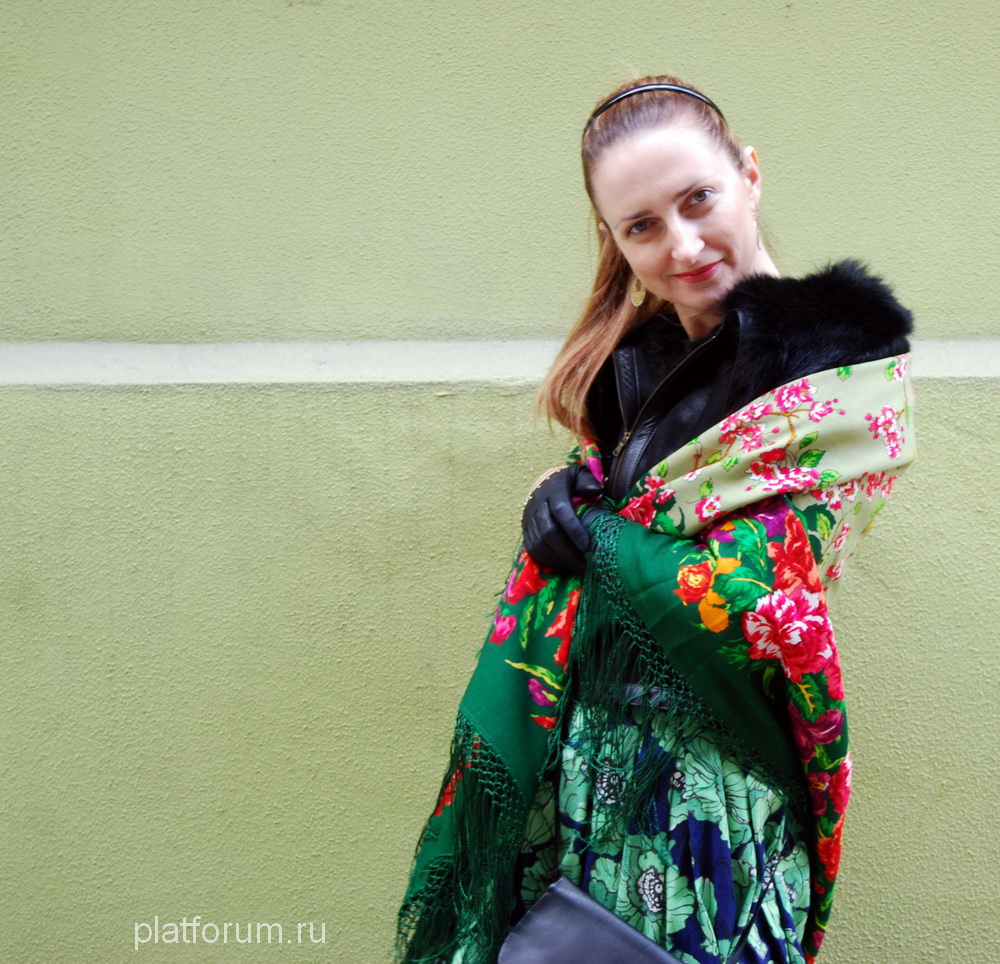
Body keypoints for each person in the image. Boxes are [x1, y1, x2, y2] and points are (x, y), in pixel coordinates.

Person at [397, 76, 914, 964]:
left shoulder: (843, 375)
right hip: (582, 782)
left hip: (719, 798)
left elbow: (755, 595)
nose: (683, 244)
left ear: (750, 175)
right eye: (642, 226)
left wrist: (590, 532)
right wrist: (557, 494)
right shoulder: (633, 367)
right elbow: (619, 500)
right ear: (615, 239)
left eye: (698, 199)